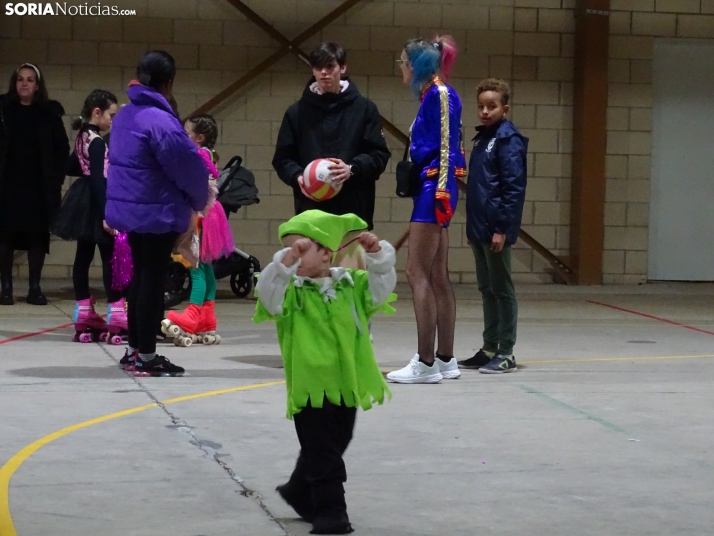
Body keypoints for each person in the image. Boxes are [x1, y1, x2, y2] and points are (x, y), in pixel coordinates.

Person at [254, 210, 396, 535]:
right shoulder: (289, 292)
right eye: (290, 249)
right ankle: (331, 513)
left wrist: (376, 256)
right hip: (310, 387)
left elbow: (381, 290)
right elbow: (268, 293)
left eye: (303, 249)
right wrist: (285, 262)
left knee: (337, 441)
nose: (295, 254)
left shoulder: (351, 285)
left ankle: (297, 490)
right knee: (324, 454)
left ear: (327, 254)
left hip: (346, 383)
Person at [106, 50, 208, 376]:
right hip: (157, 211)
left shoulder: (124, 116)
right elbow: (188, 167)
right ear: (168, 83)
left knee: (141, 276)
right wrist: (199, 198)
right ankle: (147, 357)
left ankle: (134, 350)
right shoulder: (160, 121)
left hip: (132, 210)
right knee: (152, 279)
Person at [387, 36, 466, 384]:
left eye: (403, 61)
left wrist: (443, 194)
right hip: (435, 187)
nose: (401, 67)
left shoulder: (440, 94)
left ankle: (426, 361)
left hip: (435, 189)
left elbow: (449, 148)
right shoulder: (432, 95)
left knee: (415, 272)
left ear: (416, 65)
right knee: (436, 275)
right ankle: (445, 359)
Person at [272, 42, 391, 231]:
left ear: (343, 68)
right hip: (311, 211)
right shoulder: (296, 112)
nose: (324, 73)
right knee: (314, 261)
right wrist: (298, 177)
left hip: (353, 211)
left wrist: (352, 168)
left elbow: (379, 155)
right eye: (318, 67)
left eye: (330, 66)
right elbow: (282, 159)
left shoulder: (365, 109)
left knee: (349, 262)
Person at [457, 79, 528, 374]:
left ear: (505, 108)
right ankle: (489, 347)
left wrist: (502, 228)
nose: (485, 112)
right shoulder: (482, 138)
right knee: (487, 288)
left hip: (495, 228)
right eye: (481, 106)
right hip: (479, 227)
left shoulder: (507, 140)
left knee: (502, 288)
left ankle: (506, 351)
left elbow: (513, 188)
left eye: (492, 106)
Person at [52, 89, 129, 341]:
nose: (113, 121)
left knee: (83, 256)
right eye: (111, 115)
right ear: (97, 113)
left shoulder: (83, 136)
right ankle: (117, 310)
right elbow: (98, 179)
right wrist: (108, 213)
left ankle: (83, 310)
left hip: (82, 199)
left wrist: (86, 165)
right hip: (98, 199)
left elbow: (71, 166)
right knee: (109, 258)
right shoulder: (96, 140)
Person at [161, 114, 234, 346]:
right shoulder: (209, 154)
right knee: (207, 268)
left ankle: (192, 314)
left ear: (199, 138)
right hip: (213, 213)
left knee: (196, 266)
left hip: (202, 215)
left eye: (187, 133)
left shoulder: (198, 155)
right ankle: (207, 319)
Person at [0, 63, 69, 305]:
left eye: (29, 79)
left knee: (37, 237)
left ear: (37, 85)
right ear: (14, 83)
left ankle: (34, 287)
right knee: (5, 235)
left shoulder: (48, 114)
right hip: (7, 184)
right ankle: (6, 287)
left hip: (38, 186)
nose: (24, 83)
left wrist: (55, 179)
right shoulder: (3, 110)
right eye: (20, 79)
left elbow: (62, 149)